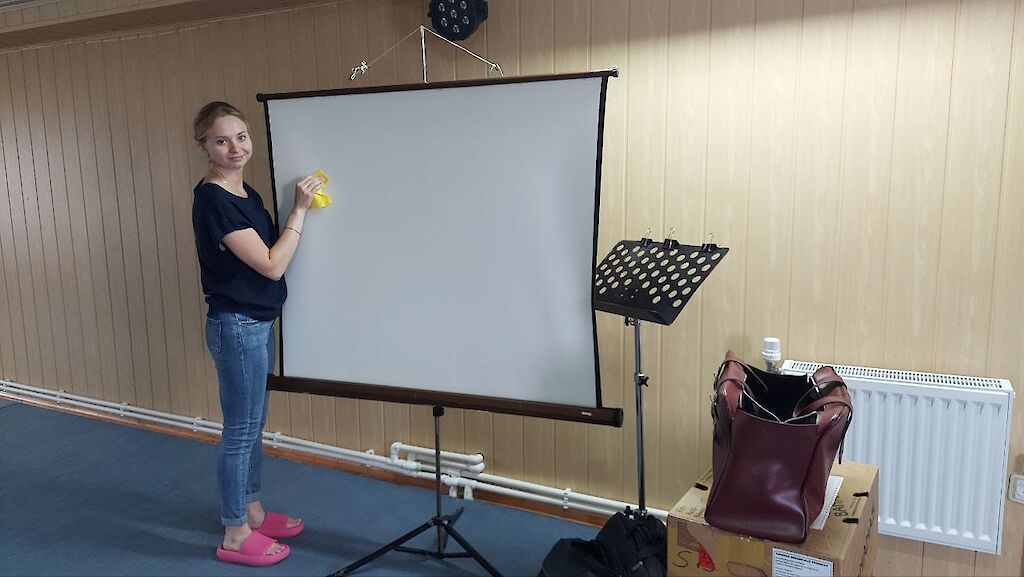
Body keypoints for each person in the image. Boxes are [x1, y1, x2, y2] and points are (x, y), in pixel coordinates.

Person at [191, 101, 324, 567]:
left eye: (241, 137)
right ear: (204, 146)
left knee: (253, 426)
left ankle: (251, 511)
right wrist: (299, 211)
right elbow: (271, 264)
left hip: (256, 322)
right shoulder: (214, 199)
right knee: (240, 431)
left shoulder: (244, 192)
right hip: (237, 325)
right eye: (221, 140)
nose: (235, 148)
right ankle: (234, 532)